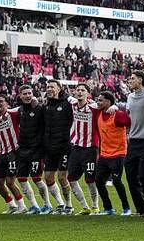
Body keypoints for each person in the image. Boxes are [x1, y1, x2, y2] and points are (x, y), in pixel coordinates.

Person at [123, 71, 144, 216]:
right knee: (130, 176)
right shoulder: (130, 97)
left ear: (141, 80)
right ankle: (141, 209)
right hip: (133, 141)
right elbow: (130, 117)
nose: (130, 80)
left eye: (133, 78)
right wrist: (128, 133)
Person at [40, 79, 75, 215]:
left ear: (59, 88)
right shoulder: (45, 106)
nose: (49, 89)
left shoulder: (67, 104)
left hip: (64, 147)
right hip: (50, 147)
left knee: (62, 177)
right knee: (48, 177)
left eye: (52, 87)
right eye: (47, 87)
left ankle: (69, 206)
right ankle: (60, 204)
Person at [94, 91, 132, 215]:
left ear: (108, 102)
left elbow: (129, 120)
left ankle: (126, 208)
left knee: (117, 181)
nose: (97, 102)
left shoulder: (118, 115)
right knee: (99, 181)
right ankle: (108, 208)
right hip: (104, 154)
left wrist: (118, 108)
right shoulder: (98, 113)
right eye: (97, 100)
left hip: (118, 154)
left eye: (100, 100)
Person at [14, 85, 49, 214]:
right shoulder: (20, 110)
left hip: (36, 149)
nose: (27, 96)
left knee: (36, 177)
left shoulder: (39, 109)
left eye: (29, 93)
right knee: (21, 177)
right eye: (25, 94)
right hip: (23, 149)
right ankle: (34, 206)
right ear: (20, 96)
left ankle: (47, 204)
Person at [0, 94, 27, 214]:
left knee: (10, 182)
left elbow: (24, 107)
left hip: (14, 152)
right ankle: (11, 205)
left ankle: (22, 206)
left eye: (1, 101)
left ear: (7, 103)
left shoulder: (13, 113)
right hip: (2, 153)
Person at [67, 82, 99, 215]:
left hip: (90, 148)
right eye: (78, 90)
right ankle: (84, 207)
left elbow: (108, 106)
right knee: (71, 179)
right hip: (76, 148)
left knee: (90, 179)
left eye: (82, 90)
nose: (79, 92)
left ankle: (95, 206)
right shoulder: (73, 103)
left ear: (88, 93)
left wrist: (113, 106)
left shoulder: (94, 107)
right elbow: (64, 96)